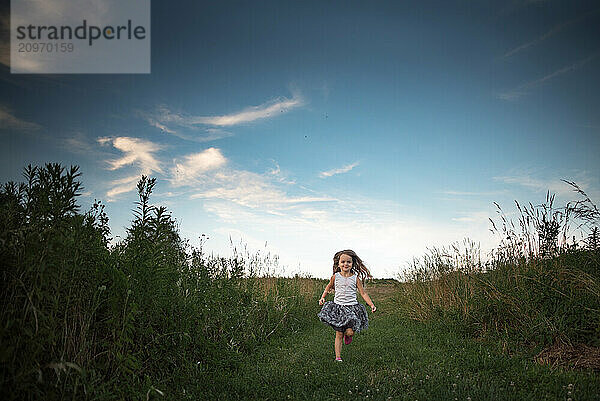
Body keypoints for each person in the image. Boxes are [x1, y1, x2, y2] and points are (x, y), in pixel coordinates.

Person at [317, 250, 376, 362]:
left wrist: (371, 304)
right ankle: (338, 358)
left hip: (351, 308)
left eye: (348, 262)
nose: (346, 264)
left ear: (352, 264)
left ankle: (348, 335)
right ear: (338, 264)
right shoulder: (335, 277)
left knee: (350, 331)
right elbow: (328, 287)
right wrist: (322, 297)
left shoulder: (355, 278)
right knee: (339, 333)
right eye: (343, 262)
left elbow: (363, 293)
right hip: (338, 308)